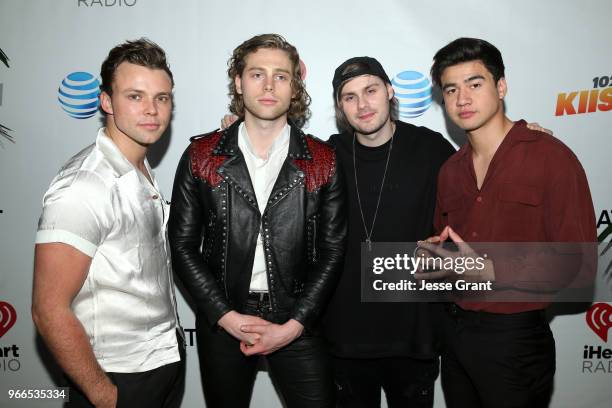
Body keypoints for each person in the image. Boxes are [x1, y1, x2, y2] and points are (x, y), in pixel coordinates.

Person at [417, 37, 597, 408]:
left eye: (475, 84)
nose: (462, 98)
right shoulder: (450, 171)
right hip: (455, 335)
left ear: (501, 86)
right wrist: (434, 260)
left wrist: (491, 268)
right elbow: (446, 249)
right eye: (451, 89)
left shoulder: (551, 158)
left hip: (514, 340)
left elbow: (579, 266)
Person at [168, 33, 346, 408]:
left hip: (299, 320)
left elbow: (333, 251)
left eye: (281, 76)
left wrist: (295, 324)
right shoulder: (202, 156)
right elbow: (182, 245)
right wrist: (225, 316)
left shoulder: (323, 160)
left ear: (295, 85)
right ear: (238, 81)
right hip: (224, 318)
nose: (268, 86)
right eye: (256, 74)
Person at [32, 39, 184, 408]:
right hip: (115, 374)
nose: (152, 110)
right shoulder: (83, 186)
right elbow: (49, 309)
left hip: (163, 359)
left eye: (162, 98)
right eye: (135, 96)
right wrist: (104, 396)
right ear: (106, 102)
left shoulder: (138, 165)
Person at [322, 57, 455, 408]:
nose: (362, 104)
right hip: (346, 335)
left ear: (390, 91)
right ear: (339, 107)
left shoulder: (432, 149)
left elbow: (478, 191)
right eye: (349, 97)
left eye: (370, 90)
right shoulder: (327, 155)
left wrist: (519, 134)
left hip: (414, 334)